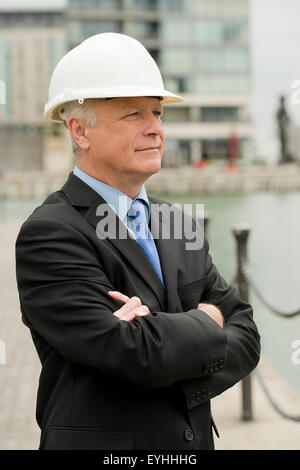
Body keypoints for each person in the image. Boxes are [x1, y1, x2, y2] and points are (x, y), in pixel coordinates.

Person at [15, 33, 260, 450]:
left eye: (158, 113)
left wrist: (158, 334)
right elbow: (130, 353)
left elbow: (248, 336)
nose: (155, 129)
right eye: (133, 115)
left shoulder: (176, 222)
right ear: (80, 131)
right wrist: (207, 322)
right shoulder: (51, 233)